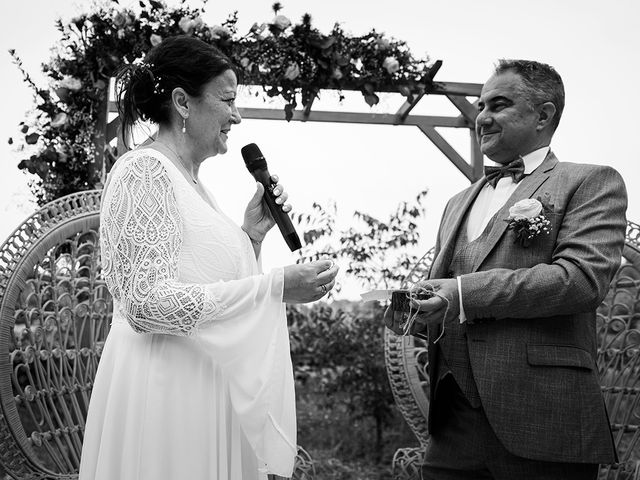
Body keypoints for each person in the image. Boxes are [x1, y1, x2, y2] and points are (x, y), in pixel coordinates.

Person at [79, 35, 338, 480]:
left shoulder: (196, 184)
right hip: (164, 395)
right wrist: (274, 285)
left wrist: (250, 238)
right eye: (227, 99)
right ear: (183, 101)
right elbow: (145, 304)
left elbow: (198, 275)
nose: (237, 115)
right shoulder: (144, 171)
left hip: (203, 387)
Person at [385, 59, 627, 479]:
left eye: (498, 105)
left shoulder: (590, 182)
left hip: (544, 417)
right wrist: (417, 311)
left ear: (543, 115)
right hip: (453, 421)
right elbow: (453, 291)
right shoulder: (457, 202)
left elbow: (581, 280)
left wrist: (461, 293)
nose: (482, 118)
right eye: (480, 106)